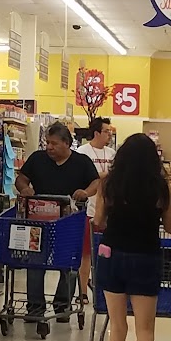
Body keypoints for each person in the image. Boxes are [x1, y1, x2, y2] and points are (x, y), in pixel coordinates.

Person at [94, 129, 171, 341]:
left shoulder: (108, 183)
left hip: (113, 256)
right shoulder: (160, 187)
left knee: (118, 327)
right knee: (145, 329)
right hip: (146, 257)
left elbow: (98, 220)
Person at [14, 119, 98, 319]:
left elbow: (96, 182)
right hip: (39, 221)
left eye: (54, 143)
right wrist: (24, 188)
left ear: (67, 143)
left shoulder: (82, 162)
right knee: (35, 264)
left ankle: (62, 306)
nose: (49, 147)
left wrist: (85, 192)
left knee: (68, 265)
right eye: (47, 143)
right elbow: (21, 178)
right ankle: (35, 307)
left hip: (69, 223)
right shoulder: (37, 159)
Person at [75, 117, 114, 309]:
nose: (109, 135)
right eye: (106, 131)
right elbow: (85, 178)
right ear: (97, 132)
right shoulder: (82, 153)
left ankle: (103, 291)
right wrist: (105, 175)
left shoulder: (112, 154)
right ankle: (82, 291)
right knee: (85, 254)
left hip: (108, 212)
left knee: (106, 253)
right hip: (88, 210)